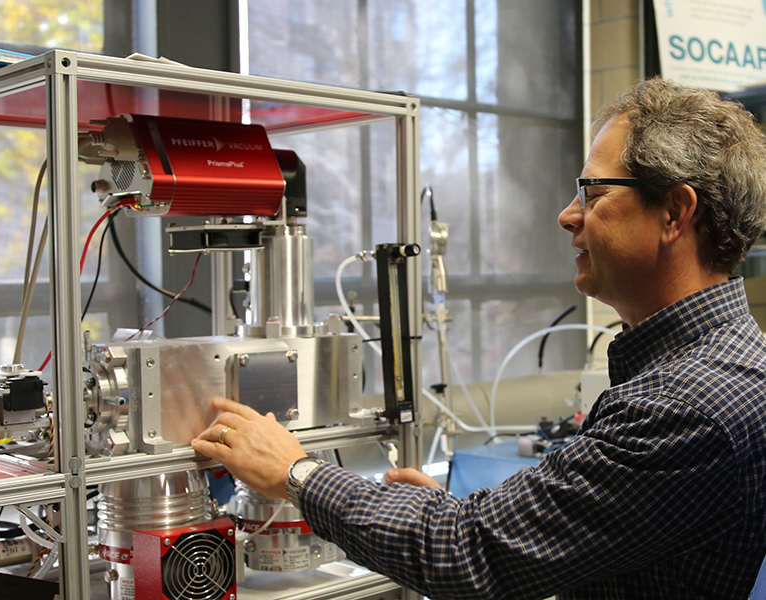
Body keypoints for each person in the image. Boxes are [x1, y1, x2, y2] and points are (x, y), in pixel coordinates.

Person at [191, 78, 766, 599]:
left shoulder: (684, 405)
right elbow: (580, 537)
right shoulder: (725, 363)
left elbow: (468, 554)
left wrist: (297, 473)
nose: (569, 216)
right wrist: (456, 516)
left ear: (674, 212)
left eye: (593, 193)